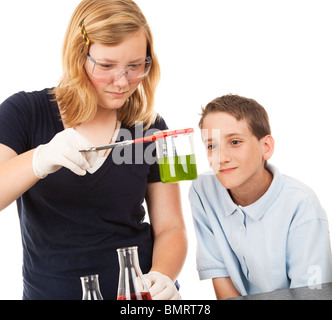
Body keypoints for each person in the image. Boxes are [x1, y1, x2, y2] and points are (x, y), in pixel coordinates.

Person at [0, 0, 187, 300]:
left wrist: (162, 276)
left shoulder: (153, 127)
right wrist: (39, 159)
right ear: (78, 56)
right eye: (107, 65)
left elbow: (172, 227)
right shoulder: (23, 112)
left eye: (136, 66)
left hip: (135, 300)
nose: (122, 81)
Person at [189, 94, 332, 299]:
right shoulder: (203, 191)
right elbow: (220, 274)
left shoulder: (301, 205)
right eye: (212, 146)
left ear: (266, 147)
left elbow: (311, 295)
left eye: (235, 142)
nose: (221, 157)